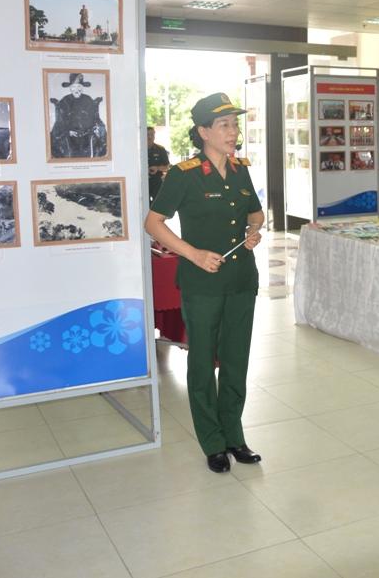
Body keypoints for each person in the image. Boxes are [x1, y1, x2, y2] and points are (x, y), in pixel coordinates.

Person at [145, 93, 265, 474]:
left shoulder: (240, 169)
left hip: (241, 279)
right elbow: (153, 223)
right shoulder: (184, 174)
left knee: (235, 359)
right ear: (203, 131)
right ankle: (212, 441)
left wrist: (253, 230)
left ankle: (234, 434)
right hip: (202, 282)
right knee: (201, 362)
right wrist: (193, 254)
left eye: (235, 124)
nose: (233, 132)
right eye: (224, 125)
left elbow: (256, 213)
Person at [49, 73, 107, 159]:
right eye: (74, 87)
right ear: (70, 88)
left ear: (82, 88)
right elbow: (60, 121)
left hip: (87, 138)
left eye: (79, 87)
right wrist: (68, 132)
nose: (77, 90)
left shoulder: (88, 100)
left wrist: (93, 129)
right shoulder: (64, 101)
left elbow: (95, 118)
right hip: (69, 138)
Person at [146, 126, 170, 204]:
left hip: (156, 182)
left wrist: (157, 168)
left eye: (152, 134)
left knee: (158, 204)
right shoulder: (138, 149)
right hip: (143, 182)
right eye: (147, 134)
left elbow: (167, 167)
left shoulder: (160, 149)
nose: (149, 137)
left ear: (154, 136)